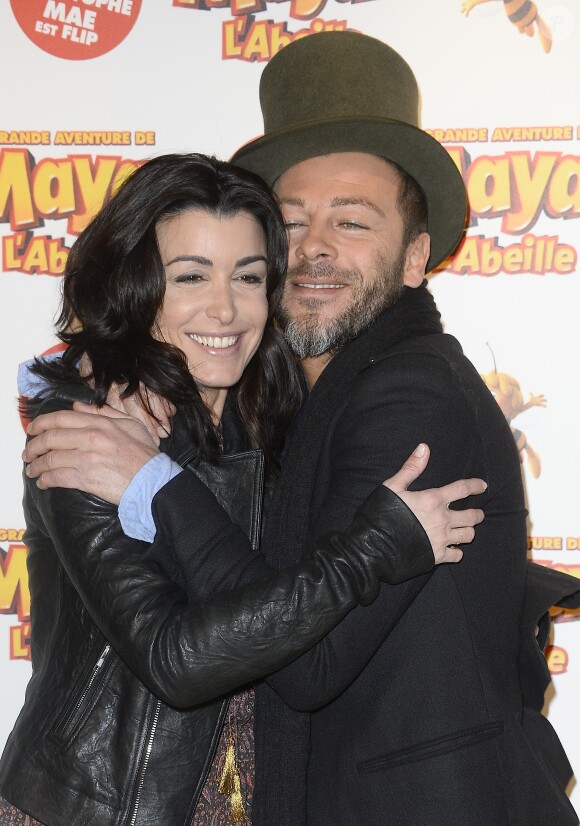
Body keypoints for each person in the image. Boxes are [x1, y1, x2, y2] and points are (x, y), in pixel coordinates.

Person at [17, 33, 580, 826]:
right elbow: (187, 649)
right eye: (291, 224)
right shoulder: (122, 416)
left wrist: (153, 481)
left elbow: (308, 659)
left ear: (415, 256)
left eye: (352, 223)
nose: (315, 249)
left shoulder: (406, 392)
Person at [0, 152, 485, 826]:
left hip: (245, 802)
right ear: (136, 286)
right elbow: (176, 660)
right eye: (190, 276)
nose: (225, 308)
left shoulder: (275, 412)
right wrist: (373, 551)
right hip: (105, 810)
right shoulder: (95, 426)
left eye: (249, 277)